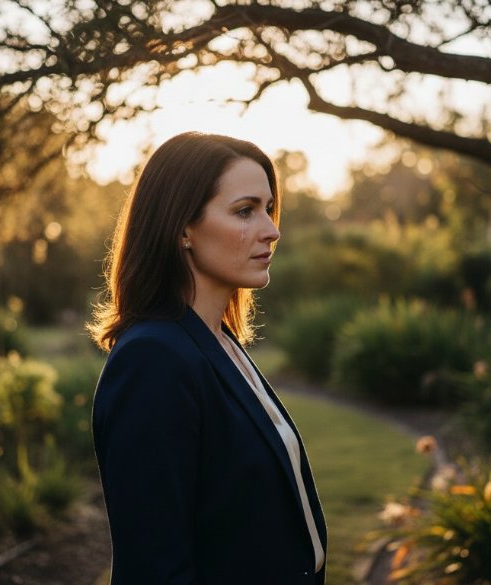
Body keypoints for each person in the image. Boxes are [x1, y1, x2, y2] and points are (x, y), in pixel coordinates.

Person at [89, 131, 328, 584]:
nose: (272, 230)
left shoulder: (219, 342)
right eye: (245, 211)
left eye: (269, 208)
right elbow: (155, 567)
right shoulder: (154, 360)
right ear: (183, 228)